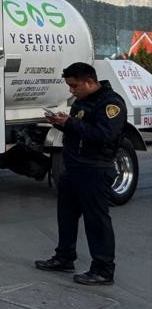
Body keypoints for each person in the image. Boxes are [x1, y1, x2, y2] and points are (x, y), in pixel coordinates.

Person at [35, 62, 125, 286]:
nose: (71, 90)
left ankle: (103, 270)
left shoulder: (111, 104)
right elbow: (79, 132)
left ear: (90, 82)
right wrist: (62, 124)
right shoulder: (82, 101)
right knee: (66, 216)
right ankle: (64, 257)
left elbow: (103, 135)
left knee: (96, 221)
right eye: (69, 86)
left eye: (74, 86)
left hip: (95, 168)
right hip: (74, 168)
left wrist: (72, 123)